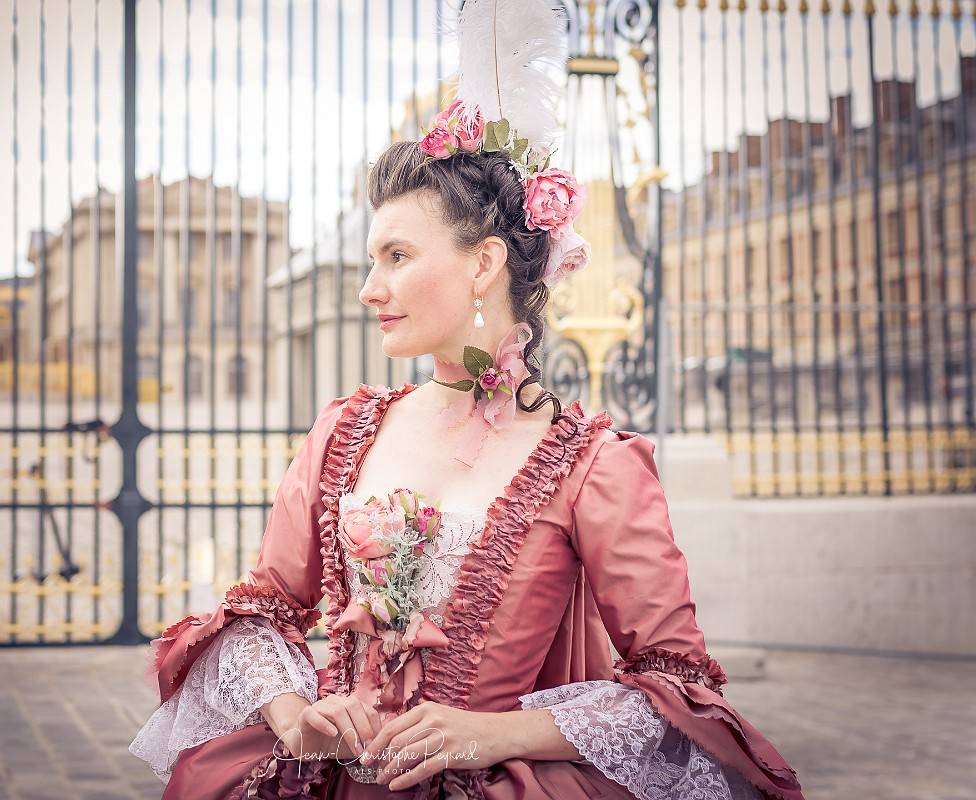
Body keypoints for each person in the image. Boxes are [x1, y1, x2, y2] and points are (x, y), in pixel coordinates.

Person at [129, 4, 805, 797]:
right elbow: (263, 609)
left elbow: (675, 683)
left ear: (484, 264)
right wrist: (294, 713)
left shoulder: (595, 465)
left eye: (397, 255)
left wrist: (493, 733)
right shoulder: (344, 432)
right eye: (372, 258)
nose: (369, 287)